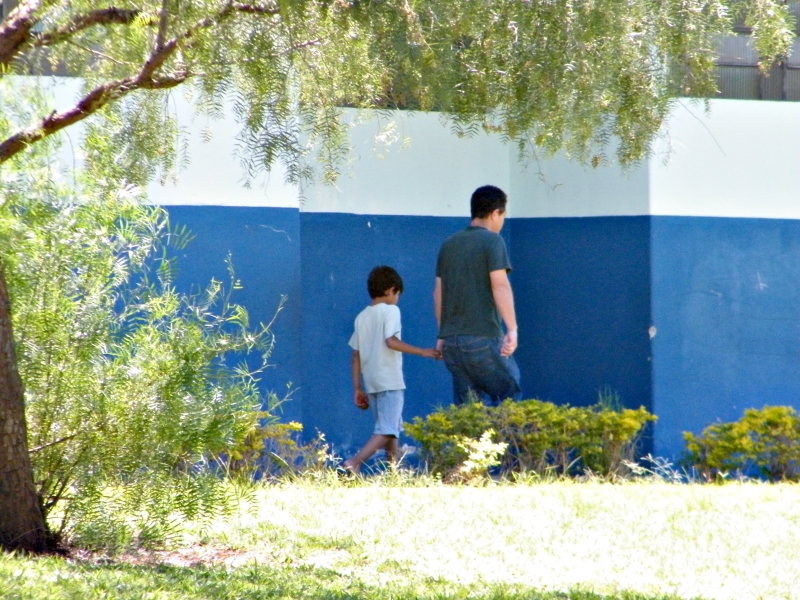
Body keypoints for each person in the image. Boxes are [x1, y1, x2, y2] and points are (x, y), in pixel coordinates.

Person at [342, 266, 440, 474]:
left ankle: (393, 473)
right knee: (387, 429)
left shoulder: (362, 317)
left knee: (390, 429)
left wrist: (357, 388)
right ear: (390, 290)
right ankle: (355, 462)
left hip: (372, 381)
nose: (397, 299)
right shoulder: (391, 310)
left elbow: (355, 355)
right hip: (390, 379)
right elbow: (391, 341)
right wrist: (423, 351)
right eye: (397, 294)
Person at [434, 184, 521, 406]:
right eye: (502, 216)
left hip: (452, 344)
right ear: (495, 214)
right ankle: (508, 442)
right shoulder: (493, 241)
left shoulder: (448, 244)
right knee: (509, 393)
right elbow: (500, 286)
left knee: (468, 415)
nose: (502, 223)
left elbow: (438, 293)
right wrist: (512, 329)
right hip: (482, 337)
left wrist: (442, 335)